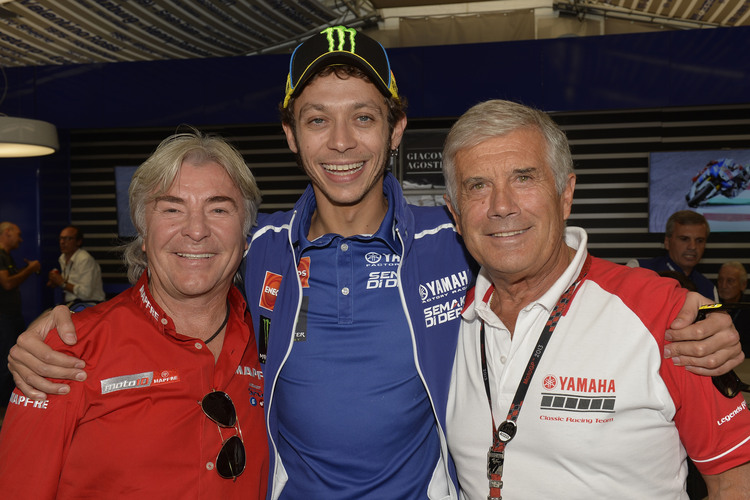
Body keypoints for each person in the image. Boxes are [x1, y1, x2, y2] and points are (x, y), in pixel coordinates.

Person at [5, 26, 745, 500]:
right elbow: (178, 279)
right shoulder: (257, 246)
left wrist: (689, 306)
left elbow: (538, 249)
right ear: (291, 137)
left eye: (363, 116)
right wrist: (63, 325)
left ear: (395, 131)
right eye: (316, 119)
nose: (341, 142)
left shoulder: (452, 239)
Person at [442, 99, 750, 499]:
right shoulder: (443, 318)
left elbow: (734, 480)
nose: (502, 206)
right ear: (455, 212)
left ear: (565, 194)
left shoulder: (666, 315)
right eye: (478, 185)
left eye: (524, 178)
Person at [0, 131, 269, 499]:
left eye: (218, 209)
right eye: (172, 209)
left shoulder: (275, 342)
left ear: (246, 234)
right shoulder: (64, 352)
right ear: (143, 232)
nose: (196, 230)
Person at [628, 210, 718, 301]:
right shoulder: (638, 269)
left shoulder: (709, 289)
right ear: (667, 242)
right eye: (684, 239)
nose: (693, 247)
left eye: (699, 240)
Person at [0, 222, 41, 408]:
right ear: (7, 233)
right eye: (18, 234)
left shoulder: (7, 256)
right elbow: (7, 284)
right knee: (5, 362)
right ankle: (4, 409)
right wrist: (30, 270)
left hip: (11, 317)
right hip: (4, 319)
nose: (21, 239)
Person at [46, 225, 105, 306]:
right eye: (61, 238)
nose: (62, 242)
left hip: (89, 305)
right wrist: (55, 281)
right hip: (72, 304)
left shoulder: (85, 259)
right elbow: (66, 282)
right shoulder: (62, 258)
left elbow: (85, 294)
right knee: (44, 316)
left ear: (79, 242)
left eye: (68, 238)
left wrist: (62, 283)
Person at [718, 261, 750, 354]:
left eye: (730, 281)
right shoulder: (711, 306)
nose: (723, 286)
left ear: (743, 285)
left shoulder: (747, 308)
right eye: (720, 280)